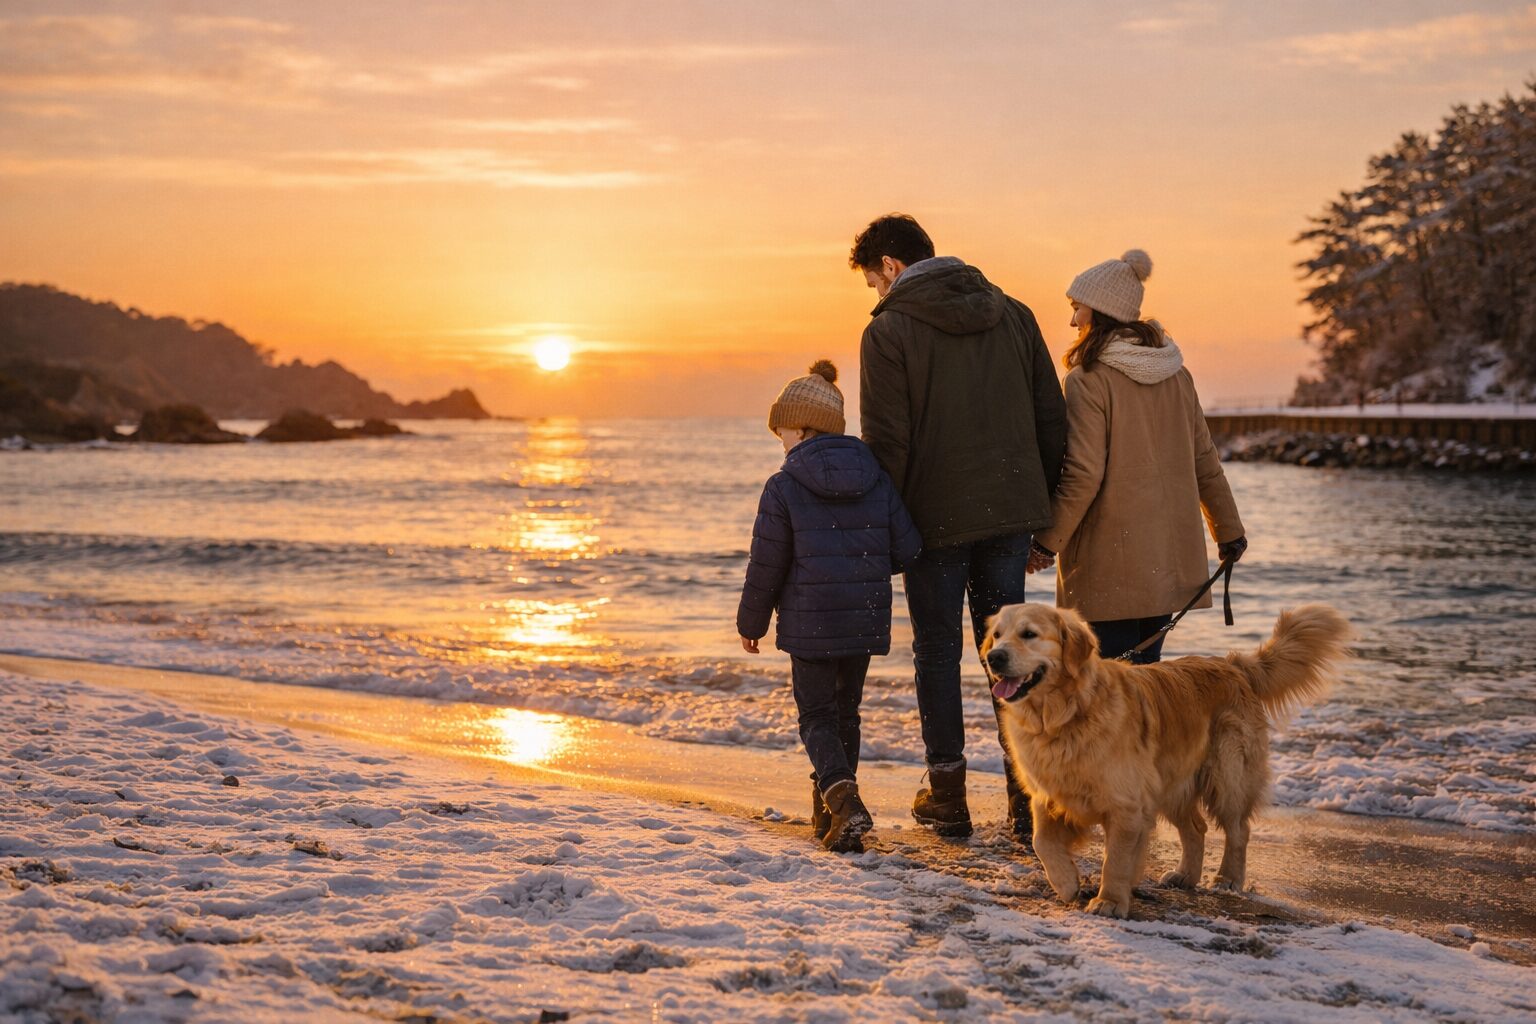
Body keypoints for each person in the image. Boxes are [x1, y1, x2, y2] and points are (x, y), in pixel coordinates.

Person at [852, 214, 1066, 840]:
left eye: (874, 282)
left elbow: (887, 444)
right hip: (1010, 513)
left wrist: (886, 531)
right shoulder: (1015, 314)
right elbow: (1051, 420)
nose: (877, 295)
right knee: (1010, 653)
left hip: (933, 519)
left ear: (890, 266)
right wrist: (1040, 514)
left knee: (939, 652)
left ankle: (948, 797)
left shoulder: (888, 331)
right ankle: (1026, 800)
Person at [737, 359, 922, 853]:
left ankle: (844, 803)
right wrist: (862, 568)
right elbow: (908, 549)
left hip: (811, 620)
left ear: (801, 428)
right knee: (846, 714)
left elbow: (767, 563)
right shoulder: (875, 477)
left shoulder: (784, 485)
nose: (781, 442)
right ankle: (831, 820)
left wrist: (751, 622)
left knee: (817, 716)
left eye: (782, 432)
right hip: (863, 615)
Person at [1028, 250, 1247, 663]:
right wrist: (1229, 531)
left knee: (1107, 689)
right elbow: (1204, 460)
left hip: (1109, 563)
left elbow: (1083, 473)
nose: (1073, 321)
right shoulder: (1177, 374)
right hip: (1165, 561)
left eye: (1077, 308)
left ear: (1100, 311)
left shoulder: (1088, 379)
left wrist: (1045, 543)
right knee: (1144, 682)